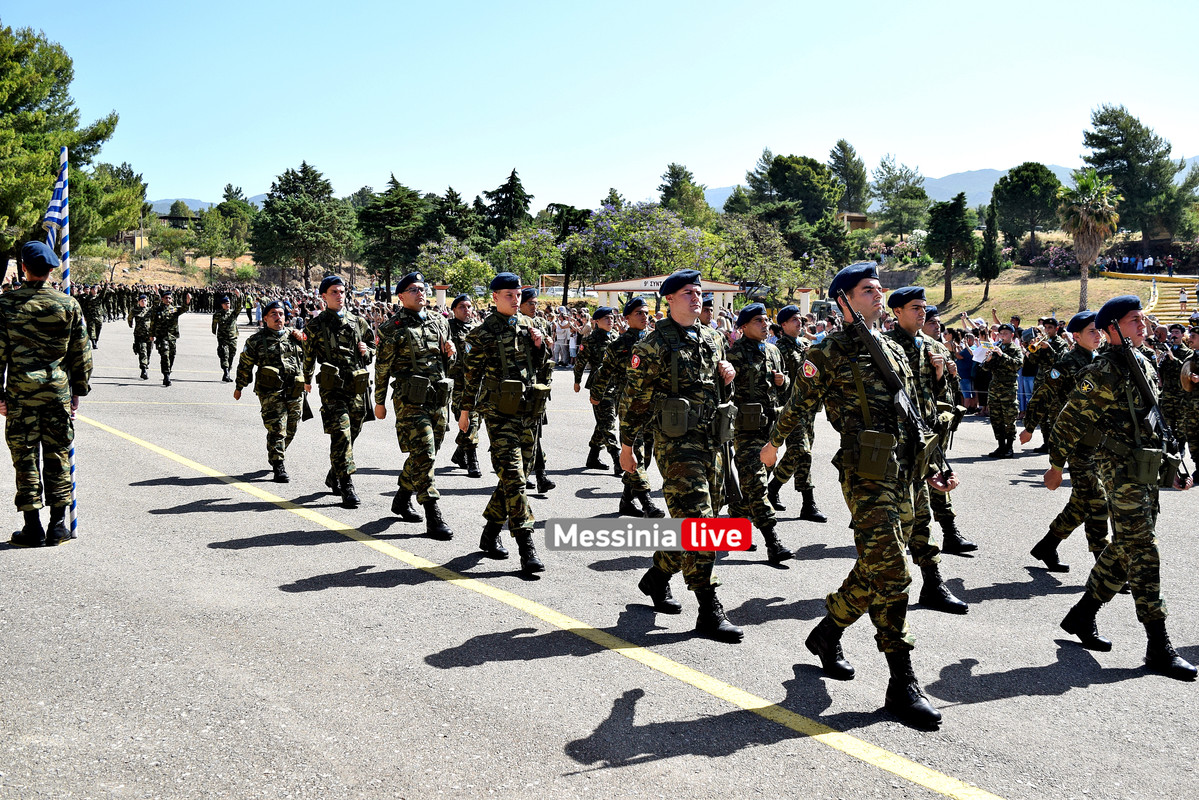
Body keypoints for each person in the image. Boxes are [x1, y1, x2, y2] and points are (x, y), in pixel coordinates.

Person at [761, 263, 956, 728]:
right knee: (893, 570)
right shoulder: (826, 351)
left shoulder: (892, 346)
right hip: (867, 473)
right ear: (844, 299)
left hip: (905, 471)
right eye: (869, 290)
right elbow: (800, 403)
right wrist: (772, 443)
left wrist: (935, 464)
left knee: (875, 566)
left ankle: (828, 631)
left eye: (879, 289)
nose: (878, 295)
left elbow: (917, 412)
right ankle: (901, 681)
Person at [1048, 295, 1195, 681]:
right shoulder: (1103, 372)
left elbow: (1153, 418)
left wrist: (1173, 464)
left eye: (1143, 319)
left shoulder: (1143, 362)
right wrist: (1056, 465)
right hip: (1119, 470)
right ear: (1112, 327)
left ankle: (1083, 614)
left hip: (1146, 467)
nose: (1143, 325)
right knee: (1144, 549)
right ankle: (1158, 644)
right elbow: (1069, 421)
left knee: (1126, 545)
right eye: (1134, 320)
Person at [621, 269, 742, 643]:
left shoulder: (713, 337)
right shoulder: (652, 345)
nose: (696, 297)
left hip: (712, 441)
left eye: (699, 292)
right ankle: (709, 608)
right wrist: (627, 448)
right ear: (670, 299)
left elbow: (717, 390)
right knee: (700, 523)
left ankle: (657, 575)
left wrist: (729, 374)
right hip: (676, 444)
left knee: (702, 520)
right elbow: (634, 400)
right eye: (688, 292)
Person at [882, 288, 969, 615]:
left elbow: (942, 399)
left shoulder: (933, 347)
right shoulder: (885, 347)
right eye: (915, 308)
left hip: (925, 443)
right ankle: (884, 586)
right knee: (899, 523)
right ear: (897, 311)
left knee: (922, 517)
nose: (922, 314)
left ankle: (933, 584)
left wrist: (938, 374)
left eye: (924, 308)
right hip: (896, 447)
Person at [1, 241, 93, 547]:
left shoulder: (6, 305)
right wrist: (77, 391)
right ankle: (57, 526)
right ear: (52, 269)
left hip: (20, 395)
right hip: (57, 394)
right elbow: (81, 354)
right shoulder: (68, 305)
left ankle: (32, 527)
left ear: (23, 267)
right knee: (58, 456)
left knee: (25, 458)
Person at [459, 272, 552, 573]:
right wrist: (465, 413)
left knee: (517, 477)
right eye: (509, 295)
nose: (515, 300)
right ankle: (527, 546)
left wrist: (540, 347)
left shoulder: (530, 327)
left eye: (518, 294)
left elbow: (541, 367)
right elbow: (469, 378)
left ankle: (489, 533)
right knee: (513, 476)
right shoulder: (481, 334)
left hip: (528, 411)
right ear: (495, 298)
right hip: (499, 413)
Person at [1023, 311, 1109, 571]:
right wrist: (1029, 426)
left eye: (1099, 331)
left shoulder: (1101, 360)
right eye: (1091, 331)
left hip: (1099, 444)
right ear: (1077, 336)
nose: (1098, 335)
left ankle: (1048, 545)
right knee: (1097, 501)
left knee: (1081, 503)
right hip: (1076, 442)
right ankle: (1105, 567)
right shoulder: (1067, 364)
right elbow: (1043, 394)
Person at [374, 272, 455, 539]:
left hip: (438, 398)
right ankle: (434, 516)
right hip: (410, 400)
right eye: (413, 289)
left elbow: (446, 364)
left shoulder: (439, 323)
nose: (420, 293)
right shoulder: (391, 328)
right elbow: (382, 368)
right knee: (425, 453)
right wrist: (379, 401)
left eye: (422, 288)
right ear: (400, 296)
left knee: (424, 455)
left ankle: (401, 497)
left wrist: (451, 355)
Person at [727, 303, 794, 563]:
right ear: (743, 327)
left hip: (770, 429)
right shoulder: (735, 354)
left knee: (752, 484)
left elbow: (787, 385)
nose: (765, 324)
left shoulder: (775, 351)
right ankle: (773, 541)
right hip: (745, 430)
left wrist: (783, 381)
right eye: (758, 321)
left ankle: (735, 530)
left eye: (766, 320)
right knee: (757, 485)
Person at [303, 275, 375, 509]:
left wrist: (366, 351)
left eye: (342, 291)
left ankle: (334, 473)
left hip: (356, 386)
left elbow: (372, 348)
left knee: (354, 430)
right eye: (334, 292)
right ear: (324, 296)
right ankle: (347, 484)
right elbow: (308, 356)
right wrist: (305, 381)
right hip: (332, 387)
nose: (339, 295)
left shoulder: (358, 322)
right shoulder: (315, 325)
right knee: (341, 434)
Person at [589, 297, 663, 517]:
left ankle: (626, 502)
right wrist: (596, 393)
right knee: (636, 454)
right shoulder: (618, 345)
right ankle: (648, 503)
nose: (644, 316)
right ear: (627, 317)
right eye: (639, 313)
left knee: (646, 457)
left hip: (654, 407)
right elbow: (604, 371)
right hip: (629, 406)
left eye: (646, 312)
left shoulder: (656, 341)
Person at [233, 300, 306, 483]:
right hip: (270, 392)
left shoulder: (294, 336)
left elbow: (311, 356)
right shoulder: (256, 341)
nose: (278, 317)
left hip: (294, 390)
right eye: (273, 314)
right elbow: (245, 365)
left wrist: (305, 339)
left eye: (281, 314)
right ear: (265, 318)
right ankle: (278, 464)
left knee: (291, 428)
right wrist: (239, 386)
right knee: (277, 429)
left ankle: (277, 452)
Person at [766, 305, 827, 522]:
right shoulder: (778, 349)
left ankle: (773, 488)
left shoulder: (805, 346)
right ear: (782, 325)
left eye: (800, 319)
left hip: (809, 409)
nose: (799, 322)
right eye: (793, 319)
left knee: (800, 455)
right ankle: (808, 502)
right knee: (803, 452)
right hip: (791, 409)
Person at [575, 306, 620, 475]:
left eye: (612, 318)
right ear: (596, 321)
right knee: (608, 422)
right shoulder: (590, 340)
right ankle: (617, 458)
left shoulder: (616, 338)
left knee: (604, 421)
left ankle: (593, 456)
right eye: (606, 319)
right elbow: (580, 362)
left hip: (617, 386)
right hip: (600, 387)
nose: (611, 321)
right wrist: (577, 381)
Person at [519, 288, 556, 493]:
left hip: (539, 387)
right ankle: (538, 474)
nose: (535, 307)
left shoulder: (542, 324)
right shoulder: (516, 324)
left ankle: (535, 474)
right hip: (523, 386)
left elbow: (546, 355)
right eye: (530, 303)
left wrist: (547, 345)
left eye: (536, 303)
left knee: (535, 432)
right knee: (531, 433)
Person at [446, 294, 483, 478]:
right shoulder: (447, 328)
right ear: (454, 310)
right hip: (458, 383)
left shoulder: (478, 329)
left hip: (477, 383)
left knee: (477, 420)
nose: (466, 310)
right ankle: (472, 458)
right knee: (470, 420)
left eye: (469, 306)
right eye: (462, 306)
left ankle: (460, 453)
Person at [1025, 318, 1069, 452]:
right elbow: (1033, 361)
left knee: (1054, 414)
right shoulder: (1040, 342)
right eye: (1046, 327)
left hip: (1055, 383)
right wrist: (1033, 349)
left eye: (1050, 327)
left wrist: (1048, 348)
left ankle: (1055, 443)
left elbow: (1061, 361)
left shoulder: (1061, 344)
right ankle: (1046, 442)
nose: (1047, 330)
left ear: (1056, 329)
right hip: (1041, 381)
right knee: (1042, 414)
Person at [983, 323, 1023, 457]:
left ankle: (1009, 447)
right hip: (994, 389)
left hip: (1008, 389)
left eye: (1006, 334)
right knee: (996, 418)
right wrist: (988, 360)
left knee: (1009, 419)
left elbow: (1017, 365)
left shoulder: (1015, 349)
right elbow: (984, 368)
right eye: (1001, 334)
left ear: (1012, 335)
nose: (1003, 336)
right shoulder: (996, 347)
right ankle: (1000, 446)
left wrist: (1002, 355)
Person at [149, 289, 191, 386]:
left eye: (169, 298)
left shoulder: (174, 309)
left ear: (172, 300)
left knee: (172, 355)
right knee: (165, 355)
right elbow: (153, 323)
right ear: (162, 299)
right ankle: (166, 375)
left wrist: (188, 301)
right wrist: (151, 335)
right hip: (161, 337)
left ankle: (168, 371)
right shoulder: (158, 310)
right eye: (166, 298)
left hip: (172, 337)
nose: (168, 300)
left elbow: (184, 308)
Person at [212, 294, 241, 382]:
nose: (227, 305)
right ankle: (226, 373)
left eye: (228, 303)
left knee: (231, 355)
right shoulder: (218, 314)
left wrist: (239, 296)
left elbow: (239, 306)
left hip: (233, 337)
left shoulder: (233, 313)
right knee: (224, 354)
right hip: (222, 338)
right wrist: (214, 331)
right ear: (222, 304)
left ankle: (228, 371)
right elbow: (214, 324)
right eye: (225, 303)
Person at [127, 293, 152, 380]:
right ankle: (143, 370)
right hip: (139, 334)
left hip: (149, 334)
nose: (143, 302)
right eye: (142, 301)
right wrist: (130, 324)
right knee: (142, 351)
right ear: (139, 302)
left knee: (148, 351)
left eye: (145, 300)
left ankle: (146, 363)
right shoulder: (135, 310)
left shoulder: (150, 310)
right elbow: (129, 317)